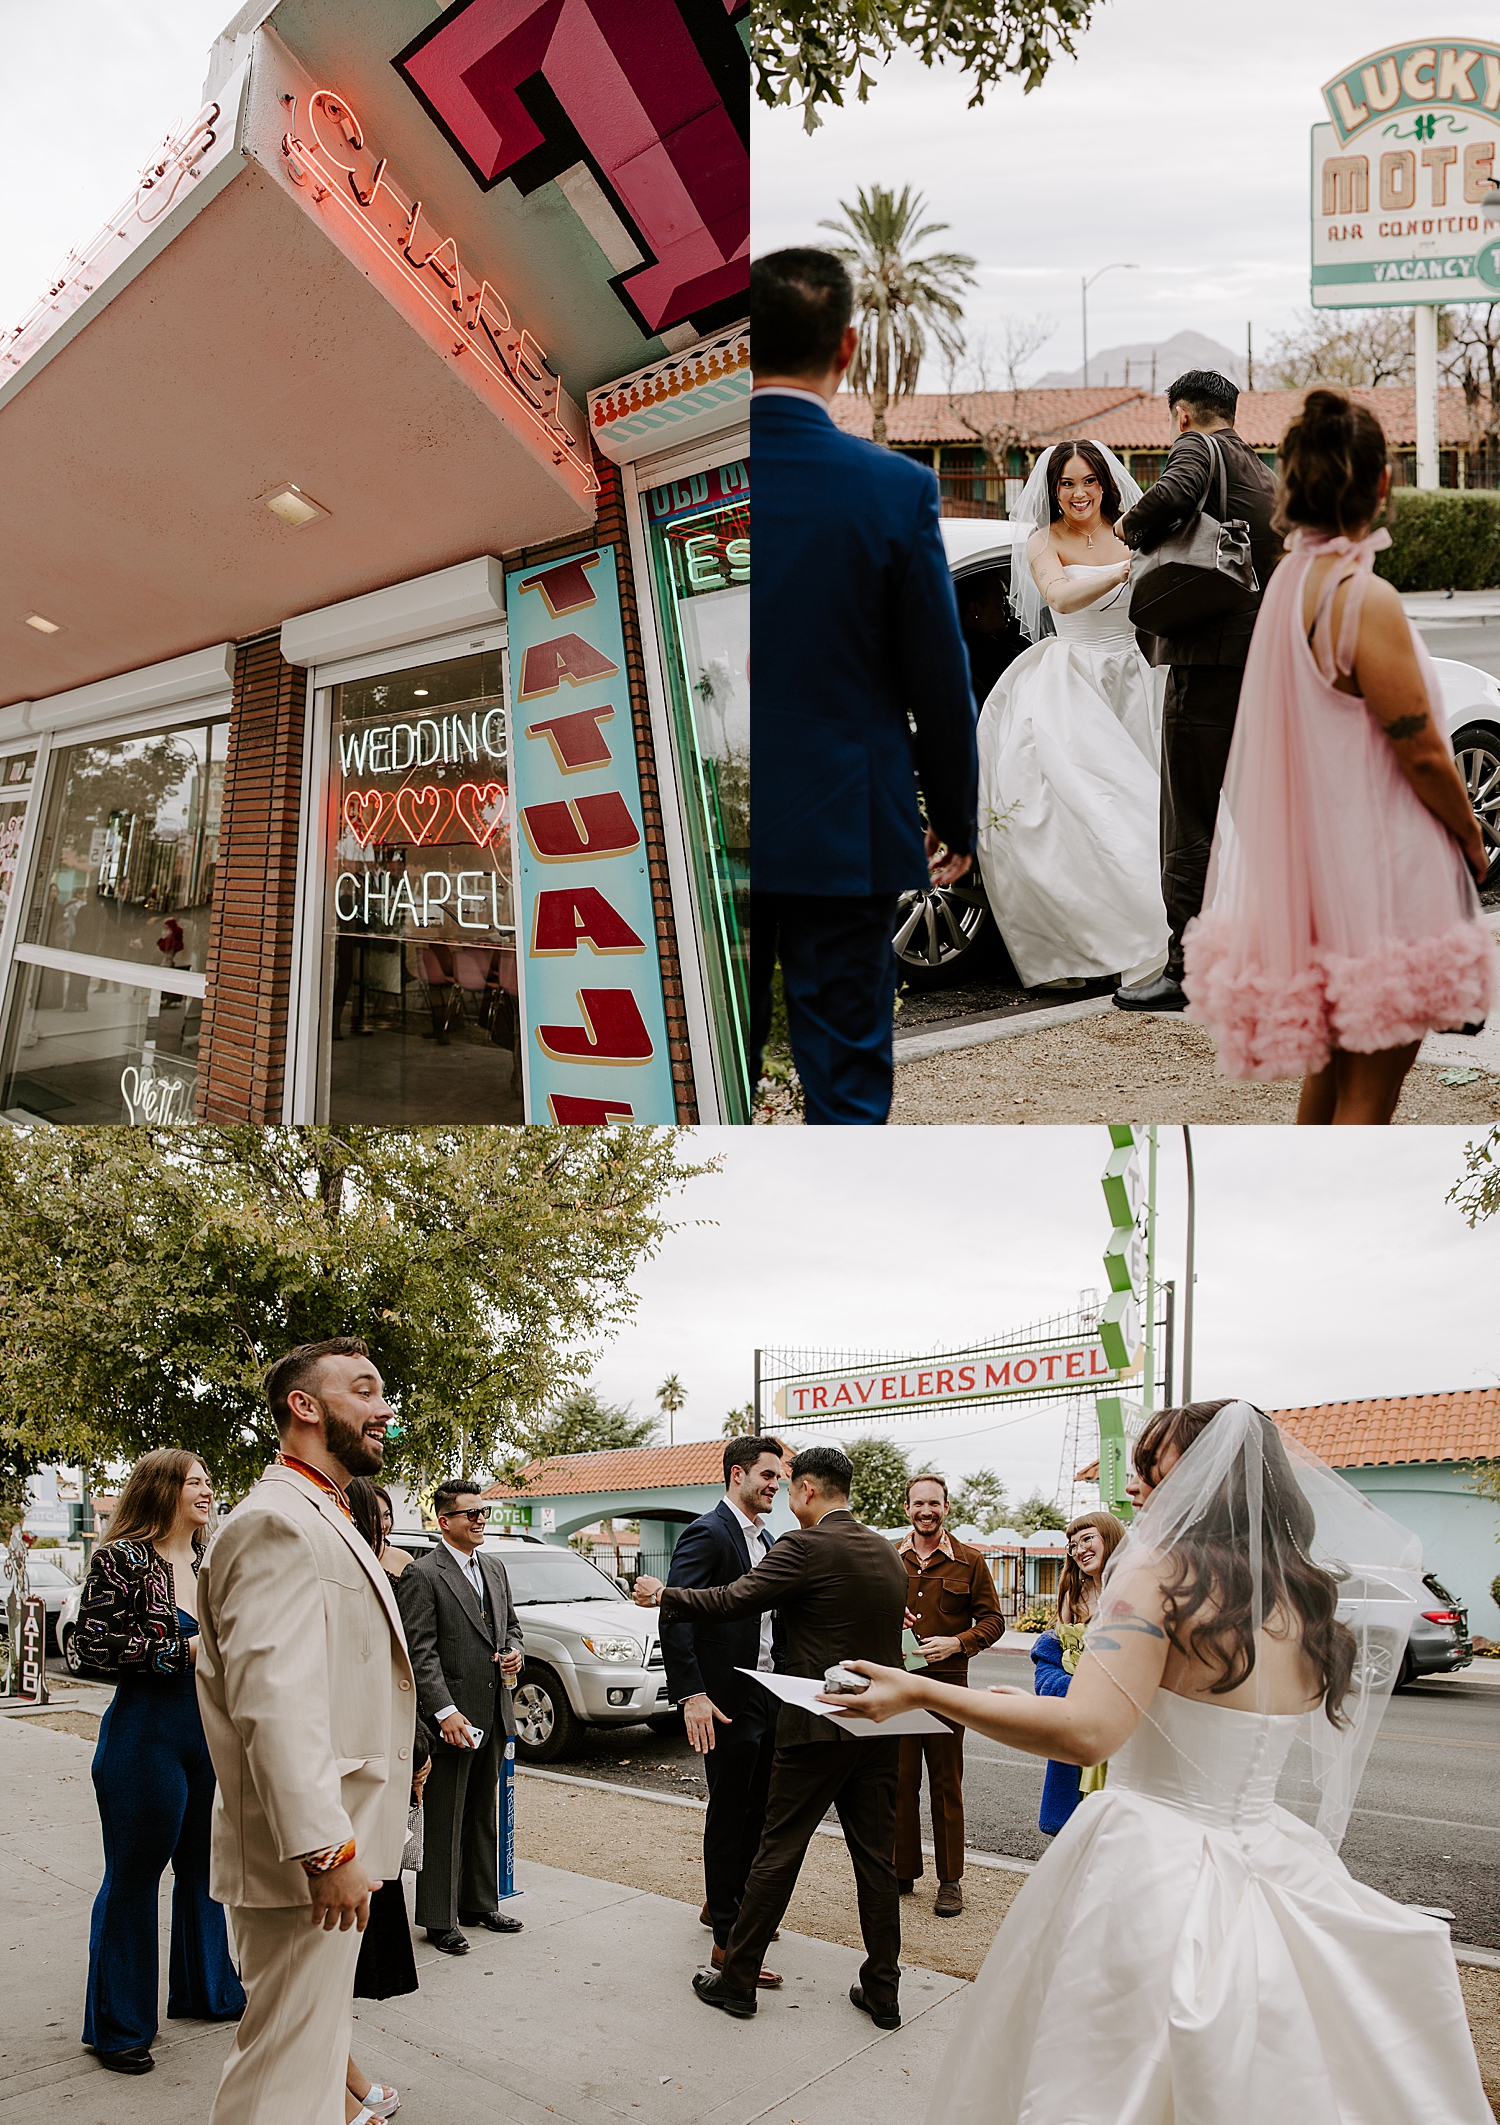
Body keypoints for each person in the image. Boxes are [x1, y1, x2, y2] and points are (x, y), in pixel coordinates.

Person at [822, 1398, 1491, 2125]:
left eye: (1154, 1467)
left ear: (1210, 1478)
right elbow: (1177, 1712)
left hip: (1152, 1863)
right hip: (1268, 1854)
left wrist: (916, 1689)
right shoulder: (1304, 1594)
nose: (1135, 1486)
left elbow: (1087, 1734)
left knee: (1104, 2073)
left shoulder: (1161, 1577)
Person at [1182, 389, 1496, 1121]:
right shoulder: (1363, 596)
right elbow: (1420, 751)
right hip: (1384, 873)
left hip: (1327, 872)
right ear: (1381, 483)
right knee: (1371, 1094)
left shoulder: (1290, 583)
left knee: (1328, 1080)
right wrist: (1471, 833)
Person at [751, 247, 978, 1123]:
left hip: (705, 837)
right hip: (842, 832)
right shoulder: (893, 491)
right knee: (846, 1085)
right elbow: (941, 684)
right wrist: (954, 818)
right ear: (847, 348)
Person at [195, 1338, 415, 2125]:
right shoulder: (274, 1521)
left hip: (329, 1847)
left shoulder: (323, 1509)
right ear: (306, 1405)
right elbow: (274, 1701)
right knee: (282, 2080)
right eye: (365, 1389)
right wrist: (326, 1848)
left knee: (310, 2064)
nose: (384, 1407)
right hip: (309, 1862)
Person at [634, 1444, 910, 2026]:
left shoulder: (804, 1545)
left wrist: (666, 1595)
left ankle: (736, 1981)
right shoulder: (887, 1552)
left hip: (815, 1727)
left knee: (777, 1849)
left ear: (807, 1489)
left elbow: (737, 1598)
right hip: (881, 1730)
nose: (786, 1496)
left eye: (791, 1487)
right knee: (876, 1864)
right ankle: (883, 1991)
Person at [1113, 368, 1281, 1013]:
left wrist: (1132, 526)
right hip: (1255, 662)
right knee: (1255, 816)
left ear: (1184, 415)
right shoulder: (1260, 473)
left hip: (1205, 664)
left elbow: (1170, 498)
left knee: (1188, 819)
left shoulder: (1195, 449)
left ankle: (1186, 970)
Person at [976, 440, 1169, 989]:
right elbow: (1059, 599)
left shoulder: (1133, 528)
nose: (1079, 493)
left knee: (1147, 810)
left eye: (1089, 481)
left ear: (1106, 484)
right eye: (1067, 484)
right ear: (1053, 490)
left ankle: (1157, 942)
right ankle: (1087, 950)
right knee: (1078, 820)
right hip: (1072, 682)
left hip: (1137, 677)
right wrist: (1122, 571)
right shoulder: (1044, 541)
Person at [77, 1449, 245, 2076]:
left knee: (206, 1869)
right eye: (193, 1481)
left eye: (208, 1479)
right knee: (134, 1876)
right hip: (144, 1738)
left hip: (206, 1737)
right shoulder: (122, 1558)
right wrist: (184, 1647)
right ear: (162, 1490)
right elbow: (90, 1645)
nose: (205, 1490)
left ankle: (206, 1991)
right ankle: (119, 2026)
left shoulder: (210, 1563)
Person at [658, 1435, 789, 1987]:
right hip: (723, 1697)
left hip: (764, 1691)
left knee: (757, 1809)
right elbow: (675, 1614)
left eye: (779, 1477)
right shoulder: (708, 1533)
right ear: (738, 1474)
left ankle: (722, 1902)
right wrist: (692, 1694)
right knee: (731, 1812)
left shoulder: (770, 1539)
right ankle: (728, 1940)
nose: (776, 1484)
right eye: (767, 1475)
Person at [394, 1479, 525, 1954]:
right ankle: (437, 1917)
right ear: (444, 1521)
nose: (479, 1520)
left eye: (483, 1512)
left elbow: (511, 1627)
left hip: (494, 1711)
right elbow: (419, 1652)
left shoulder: (494, 1567)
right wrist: (444, 1713)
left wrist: (514, 1652)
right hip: (450, 1719)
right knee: (446, 1816)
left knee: (481, 1813)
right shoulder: (423, 1575)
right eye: (470, 1513)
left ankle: (478, 1904)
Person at [344, 1479, 429, 2122]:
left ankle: (345, 2084)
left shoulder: (391, 1574)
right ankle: (345, 2093)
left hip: (383, 1777)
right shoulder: (366, 1582)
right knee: (324, 1968)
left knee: (334, 1970)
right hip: (350, 1792)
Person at [894, 1475, 1003, 1915]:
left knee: (945, 1783)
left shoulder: (971, 1562)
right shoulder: (887, 1557)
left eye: (933, 1503)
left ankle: (950, 1880)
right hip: (900, 1685)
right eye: (918, 1503)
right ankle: (902, 1869)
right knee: (899, 1781)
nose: (926, 1511)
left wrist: (957, 1643)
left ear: (947, 1507)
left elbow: (993, 1621)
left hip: (947, 1688)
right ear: (907, 1508)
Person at [1029, 1511, 1125, 1836]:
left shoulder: (1134, 1593)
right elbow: (1051, 1656)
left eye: (1087, 1539)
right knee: (1079, 1822)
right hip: (1080, 1719)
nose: (1079, 1549)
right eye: (1072, 1545)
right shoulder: (1073, 1596)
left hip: (1122, 1721)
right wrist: (1072, 1688)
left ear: (1109, 1538)